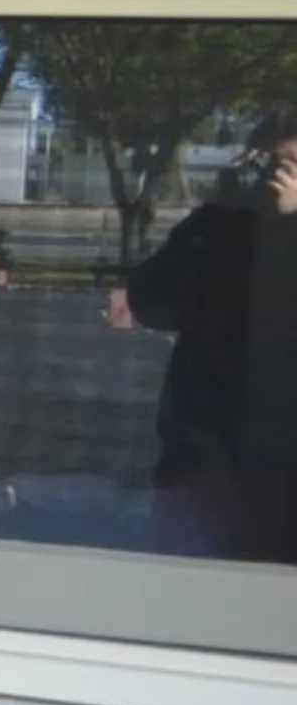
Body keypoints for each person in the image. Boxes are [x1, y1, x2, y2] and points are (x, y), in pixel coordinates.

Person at [126, 117, 297, 563]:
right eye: (266, 164)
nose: (274, 178)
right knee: (182, 599)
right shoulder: (222, 229)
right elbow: (150, 301)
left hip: (283, 474)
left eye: (291, 166)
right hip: (203, 456)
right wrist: (217, 212)